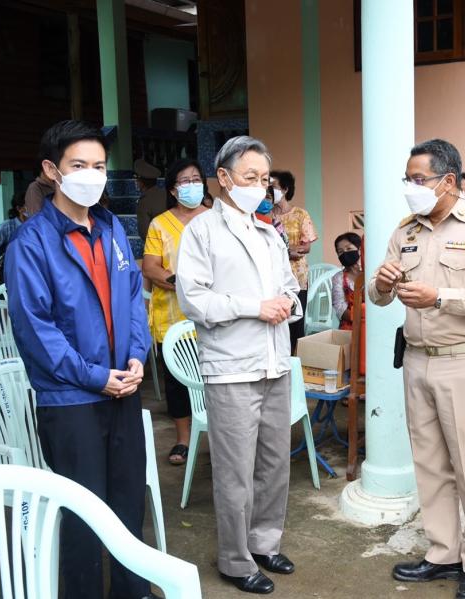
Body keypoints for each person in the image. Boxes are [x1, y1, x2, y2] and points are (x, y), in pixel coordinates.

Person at [5, 120, 152, 599]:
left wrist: (136, 356)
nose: (92, 175)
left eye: (100, 166)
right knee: (83, 513)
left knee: (128, 504)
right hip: (71, 399)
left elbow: (134, 299)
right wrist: (94, 376)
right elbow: (36, 330)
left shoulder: (111, 229)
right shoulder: (31, 243)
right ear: (52, 170)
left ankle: (131, 592)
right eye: (79, 165)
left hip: (122, 386)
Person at [372, 139, 465, 599]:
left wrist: (440, 298)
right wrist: (381, 284)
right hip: (416, 360)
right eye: (407, 179)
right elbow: (378, 296)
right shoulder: (406, 229)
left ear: (447, 181)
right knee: (429, 462)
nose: (410, 187)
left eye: (418, 179)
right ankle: (443, 552)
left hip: (462, 360)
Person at [177, 136, 302, 596]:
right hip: (231, 368)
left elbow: (290, 287)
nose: (260, 186)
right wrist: (255, 307)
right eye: (250, 176)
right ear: (224, 178)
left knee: (275, 463)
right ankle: (234, 558)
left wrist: (288, 303)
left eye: (265, 178)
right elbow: (194, 300)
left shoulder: (268, 232)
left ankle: (264, 543)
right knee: (234, 473)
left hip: (274, 363)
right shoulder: (202, 231)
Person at [142, 158, 208, 466]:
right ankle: (183, 439)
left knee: (218, 379)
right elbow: (151, 267)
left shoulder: (217, 219)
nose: (192, 185)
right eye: (185, 181)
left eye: (196, 179)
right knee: (178, 383)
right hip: (173, 319)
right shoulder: (159, 224)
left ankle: (223, 436)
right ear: (172, 189)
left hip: (213, 317)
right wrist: (184, 284)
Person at [271, 169, 317, 352]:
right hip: (273, 276)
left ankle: (295, 360)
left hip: (297, 277)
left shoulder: (300, 214)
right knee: (276, 321)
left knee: (295, 321)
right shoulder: (266, 215)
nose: (269, 190)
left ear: (285, 189)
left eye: (274, 186)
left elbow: (305, 247)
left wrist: (284, 251)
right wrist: (289, 250)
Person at [331, 232, 363, 329]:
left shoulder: (371, 273)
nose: (345, 253)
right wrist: (360, 319)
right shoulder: (338, 278)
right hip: (349, 326)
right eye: (340, 251)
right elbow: (339, 308)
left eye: (349, 249)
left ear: (360, 250)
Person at [134, 158, 168, 239]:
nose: (135, 181)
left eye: (137, 179)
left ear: (142, 182)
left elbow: (144, 234)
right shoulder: (165, 194)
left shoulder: (144, 202)